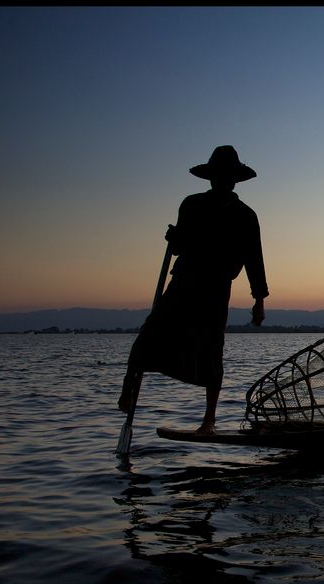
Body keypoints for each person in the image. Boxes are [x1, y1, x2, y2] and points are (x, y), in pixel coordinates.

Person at [118, 145, 269, 434]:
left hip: (216, 288)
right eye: (217, 175)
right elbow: (179, 247)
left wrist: (258, 299)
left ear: (234, 180)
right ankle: (129, 390)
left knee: (212, 349)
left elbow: (254, 258)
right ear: (210, 178)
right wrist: (174, 239)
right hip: (184, 281)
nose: (222, 181)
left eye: (226, 176)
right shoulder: (192, 204)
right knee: (150, 333)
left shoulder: (245, 215)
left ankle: (208, 420)